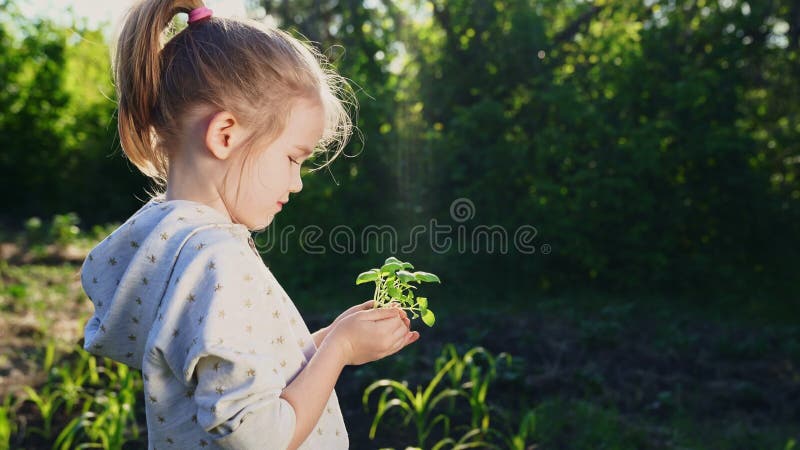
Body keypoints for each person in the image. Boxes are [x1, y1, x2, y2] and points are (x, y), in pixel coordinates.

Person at [79, 2, 420, 449]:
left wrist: (328, 340)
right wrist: (338, 352)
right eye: (293, 157)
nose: (297, 182)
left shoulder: (169, 241)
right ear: (225, 135)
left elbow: (233, 371)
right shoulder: (217, 258)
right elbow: (261, 437)